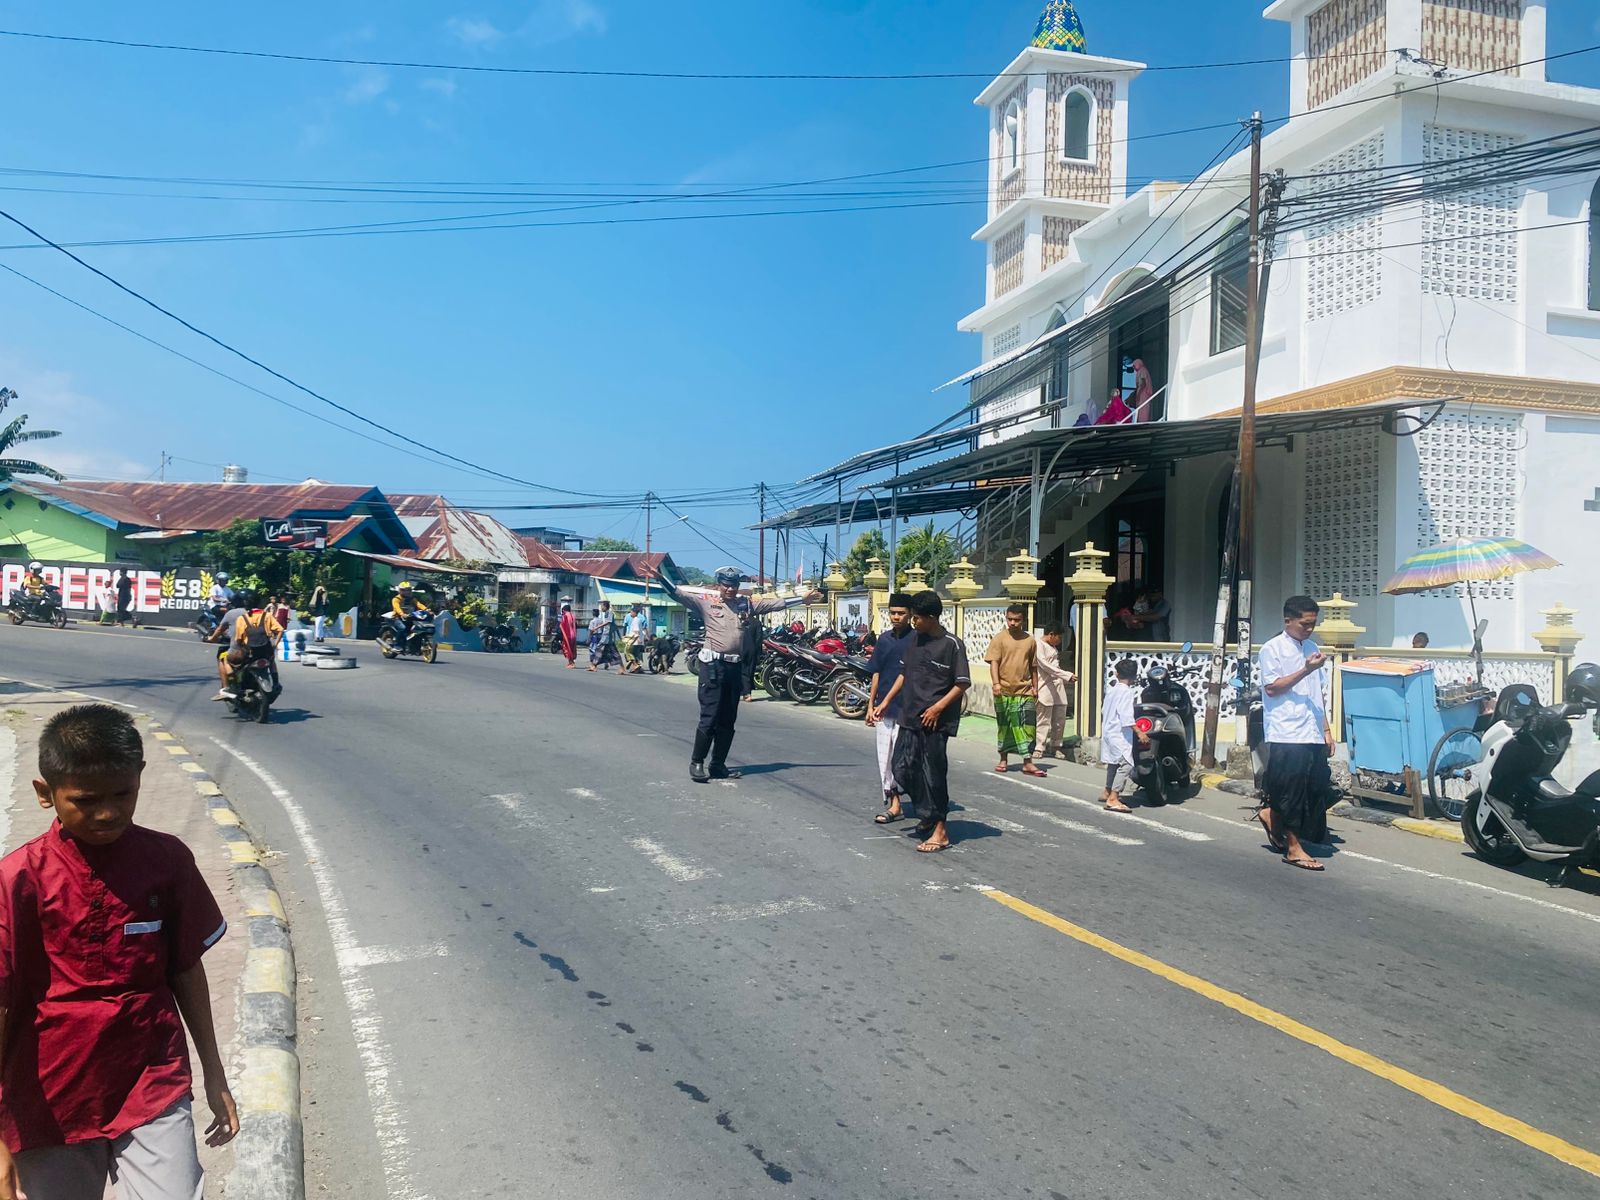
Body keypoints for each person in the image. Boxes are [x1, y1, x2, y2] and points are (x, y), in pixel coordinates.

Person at [0, 704, 239, 1197]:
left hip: (150, 1076)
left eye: (121, 793)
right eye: (86, 800)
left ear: (140, 778)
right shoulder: (18, 878)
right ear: (45, 794)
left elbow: (186, 969)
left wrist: (214, 1073)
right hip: (48, 1092)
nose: (107, 813)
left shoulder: (166, 860)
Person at [653, 566, 821, 783]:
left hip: (734, 667)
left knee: (728, 718)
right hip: (712, 667)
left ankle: (718, 764)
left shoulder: (745, 604)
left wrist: (801, 599)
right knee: (710, 716)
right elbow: (678, 594)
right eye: (726, 585)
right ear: (718, 585)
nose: (730, 589)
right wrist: (660, 578)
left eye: (734, 585)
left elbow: (773, 604)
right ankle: (697, 762)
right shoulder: (706, 602)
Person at [879, 590, 971, 853]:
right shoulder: (914, 641)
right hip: (909, 717)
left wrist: (937, 708)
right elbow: (904, 674)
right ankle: (928, 813)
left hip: (935, 723)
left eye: (917, 618)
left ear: (932, 617)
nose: (914, 622)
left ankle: (940, 830)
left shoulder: (952, 645)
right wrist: (885, 701)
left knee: (933, 775)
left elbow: (962, 683)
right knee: (901, 768)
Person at [1258, 595, 1335, 871]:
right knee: (1291, 791)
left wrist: (1326, 729)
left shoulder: (1312, 647)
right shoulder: (1272, 649)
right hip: (1287, 730)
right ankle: (1293, 847)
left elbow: (1317, 693)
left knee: (1316, 785)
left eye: (1313, 624)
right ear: (1288, 621)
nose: (1309, 629)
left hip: (1312, 729)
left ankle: (1272, 815)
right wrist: (1305, 669)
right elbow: (1272, 688)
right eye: (1304, 624)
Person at [865, 594, 915, 824]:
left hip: (908, 708)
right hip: (884, 709)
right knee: (885, 759)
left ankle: (919, 801)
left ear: (910, 614)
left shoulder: (917, 640)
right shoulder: (884, 640)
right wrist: (871, 705)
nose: (896, 617)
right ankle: (895, 804)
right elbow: (876, 672)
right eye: (893, 612)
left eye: (901, 613)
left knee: (906, 758)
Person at [985, 603, 1045, 777]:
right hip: (1004, 690)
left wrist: (1035, 687)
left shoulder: (1030, 641)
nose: (1012, 623)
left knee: (1028, 727)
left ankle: (1028, 762)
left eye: (1016, 620)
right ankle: (1003, 759)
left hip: (1024, 690)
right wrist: (996, 684)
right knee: (1005, 726)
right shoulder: (999, 639)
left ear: (1023, 620)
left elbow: (1033, 666)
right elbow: (994, 663)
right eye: (1010, 619)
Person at [1100, 658, 1144, 814]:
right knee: (1126, 764)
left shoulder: (1111, 690)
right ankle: (1113, 798)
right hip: (1118, 734)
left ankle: (1107, 791)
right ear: (1134, 677)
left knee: (1114, 763)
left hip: (1108, 731)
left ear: (1116, 674)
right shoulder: (1126, 692)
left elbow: (1104, 710)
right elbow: (1126, 716)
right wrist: (1139, 732)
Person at [1036, 622, 1077, 759]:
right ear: (1051, 635)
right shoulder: (1039, 645)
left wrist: (1064, 677)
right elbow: (1045, 665)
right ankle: (1039, 747)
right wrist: (1066, 675)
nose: (1060, 641)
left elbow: (1055, 667)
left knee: (1059, 719)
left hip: (1058, 685)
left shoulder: (1053, 648)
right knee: (1043, 719)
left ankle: (1056, 746)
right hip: (1045, 685)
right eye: (1059, 637)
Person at [204, 591, 254, 700]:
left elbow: (220, 629)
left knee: (222, 657)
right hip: (260, 650)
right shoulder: (259, 612)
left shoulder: (232, 613)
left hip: (241, 651)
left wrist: (212, 639)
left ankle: (226, 688)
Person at [389, 583, 431, 650]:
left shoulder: (412, 598)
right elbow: (397, 608)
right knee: (402, 628)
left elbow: (418, 604)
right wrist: (402, 614)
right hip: (397, 618)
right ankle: (397, 645)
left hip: (409, 617)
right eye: (404, 590)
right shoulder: (396, 599)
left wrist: (426, 609)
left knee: (418, 628)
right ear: (400, 590)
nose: (407, 592)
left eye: (408, 590)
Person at [587, 602, 616, 672]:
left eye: (602, 606)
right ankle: (601, 663)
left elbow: (608, 623)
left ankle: (594, 665)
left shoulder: (609, 613)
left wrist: (596, 628)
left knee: (596, 650)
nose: (601, 608)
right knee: (607, 650)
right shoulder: (602, 618)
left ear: (605, 606)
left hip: (605, 636)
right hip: (602, 635)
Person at [622, 603, 649, 675]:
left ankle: (634, 664)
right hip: (635, 639)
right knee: (635, 654)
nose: (630, 613)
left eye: (631, 612)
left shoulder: (636, 620)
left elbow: (636, 631)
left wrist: (636, 639)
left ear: (635, 613)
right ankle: (636, 667)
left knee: (628, 652)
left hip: (634, 640)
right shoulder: (639, 619)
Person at [558, 602, 577, 668]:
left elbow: (562, 625)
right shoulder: (573, 616)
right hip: (574, 635)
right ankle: (571, 662)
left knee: (567, 648)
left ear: (564, 610)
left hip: (568, 635)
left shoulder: (565, 616)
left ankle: (571, 663)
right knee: (572, 648)